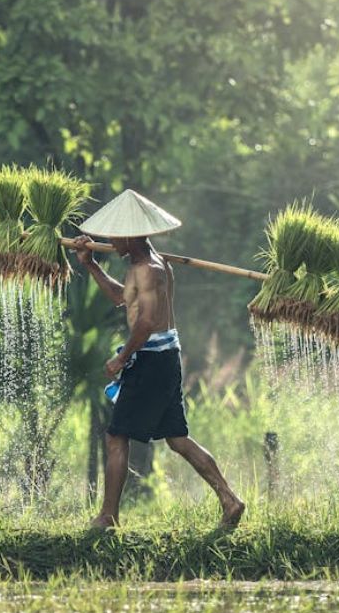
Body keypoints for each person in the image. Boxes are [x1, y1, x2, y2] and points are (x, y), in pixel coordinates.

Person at [71, 189, 245, 531]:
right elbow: (123, 298)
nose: (110, 240)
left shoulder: (150, 269)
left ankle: (108, 516)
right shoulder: (147, 265)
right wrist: (90, 264)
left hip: (151, 360)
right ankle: (230, 499)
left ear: (131, 235)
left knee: (116, 436)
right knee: (177, 438)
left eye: (115, 234)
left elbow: (147, 322)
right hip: (165, 357)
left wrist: (121, 358)